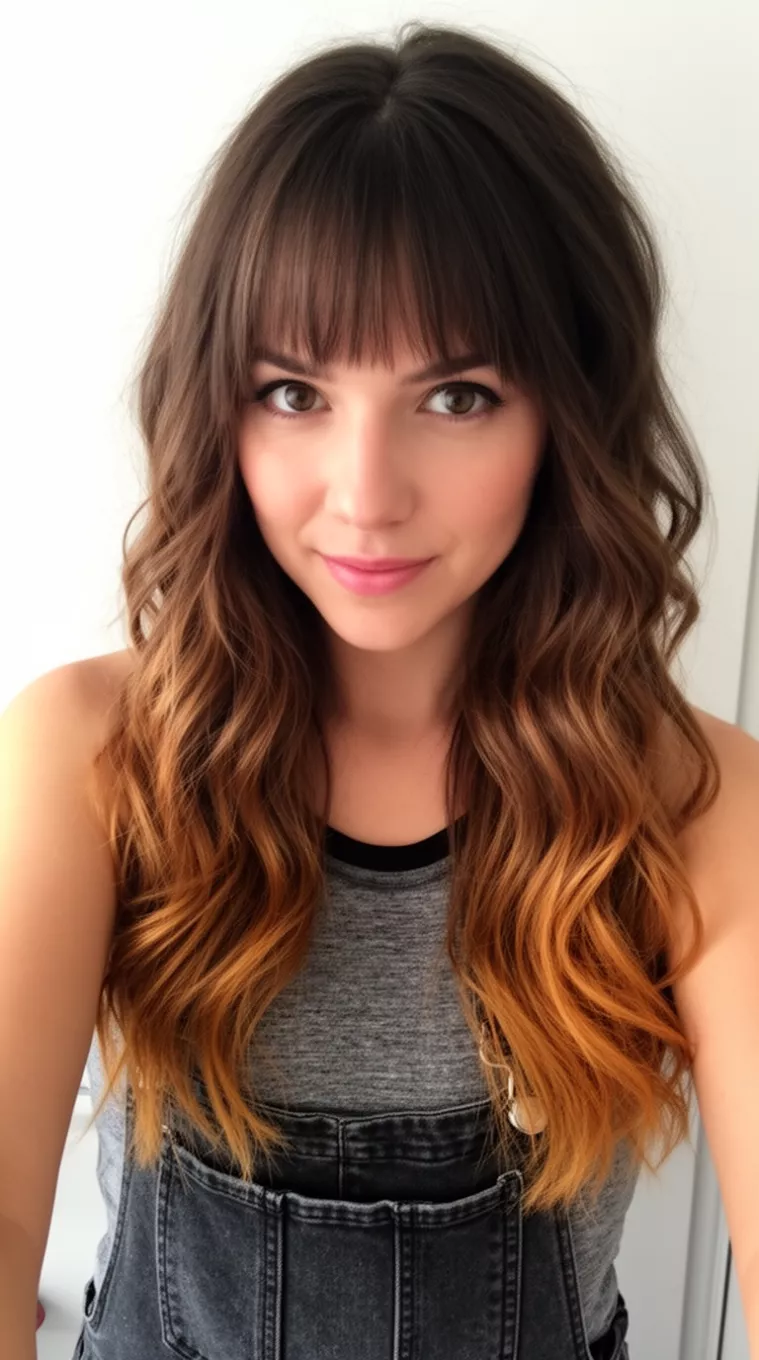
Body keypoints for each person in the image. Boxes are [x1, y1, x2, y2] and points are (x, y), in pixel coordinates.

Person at [0, 20, 730, 1360]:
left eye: (454, 397)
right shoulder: (88, 757)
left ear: (563, 420)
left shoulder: (692, 804)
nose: (365, 494)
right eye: (293, 391)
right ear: (215, 406)